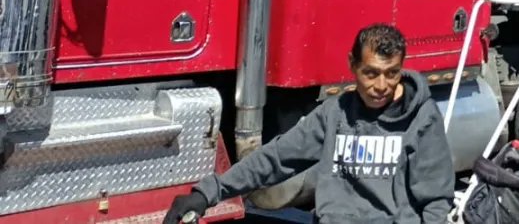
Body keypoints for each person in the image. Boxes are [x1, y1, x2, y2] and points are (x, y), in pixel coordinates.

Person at [164, 23, 456, 224]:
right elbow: (277, 158)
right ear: (352, 65)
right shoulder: (335, 114)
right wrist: (209, 192)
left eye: (391, 74)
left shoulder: (422, 119)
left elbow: (435, 201)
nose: (381, 85)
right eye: (371, 73)